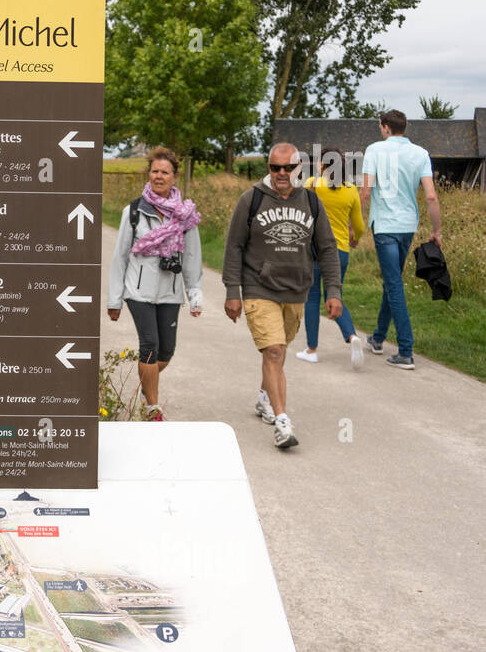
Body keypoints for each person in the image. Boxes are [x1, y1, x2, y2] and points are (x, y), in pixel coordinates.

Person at [223, 143, 343, 449]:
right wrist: (232, 291)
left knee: (278, 351)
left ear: (298, 169)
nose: (280, 173)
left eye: (287, 168)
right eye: (274, 167)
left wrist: (333, 291)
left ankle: (265, 396)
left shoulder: (312, 202)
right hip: (258, 287)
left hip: (296, 290)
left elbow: (328, 249)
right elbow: (234, 246)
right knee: (274, 350)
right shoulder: (251, 199)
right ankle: (282, 422)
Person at [106, 147, 203, 421]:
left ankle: (145, 388)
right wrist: (114, 300)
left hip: (170, 294)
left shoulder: (185, 216)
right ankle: (152, 408)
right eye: (154, 171)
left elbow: (193, 257)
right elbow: (120, 257)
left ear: (174, 177)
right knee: (149, 344)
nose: (158, 176)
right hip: (138, 292)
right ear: (149, 174)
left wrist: (195, 295)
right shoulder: (134, 211)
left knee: (166, 352)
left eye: (165, 172)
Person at [360, 109, 443, 370]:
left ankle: (406, 351)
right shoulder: (420, 154)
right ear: (403, 128)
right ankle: (378, 338)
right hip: (408, 226)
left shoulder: (374, 150)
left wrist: (353, 225)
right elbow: (431, 196)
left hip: (384, 226)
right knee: (392, 280)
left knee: (394, 285)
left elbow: (365, 191)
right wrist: (437, 230)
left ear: (385, 127)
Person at [295, 147, 367, 369]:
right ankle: (352, 337)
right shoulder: (350, 190)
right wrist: (355, 238)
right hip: (341, 251)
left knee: (312, 297)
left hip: (315, 250)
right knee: (335, 295)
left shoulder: (312, 185)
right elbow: (359, 225)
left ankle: (312, 350)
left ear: (323, 165)